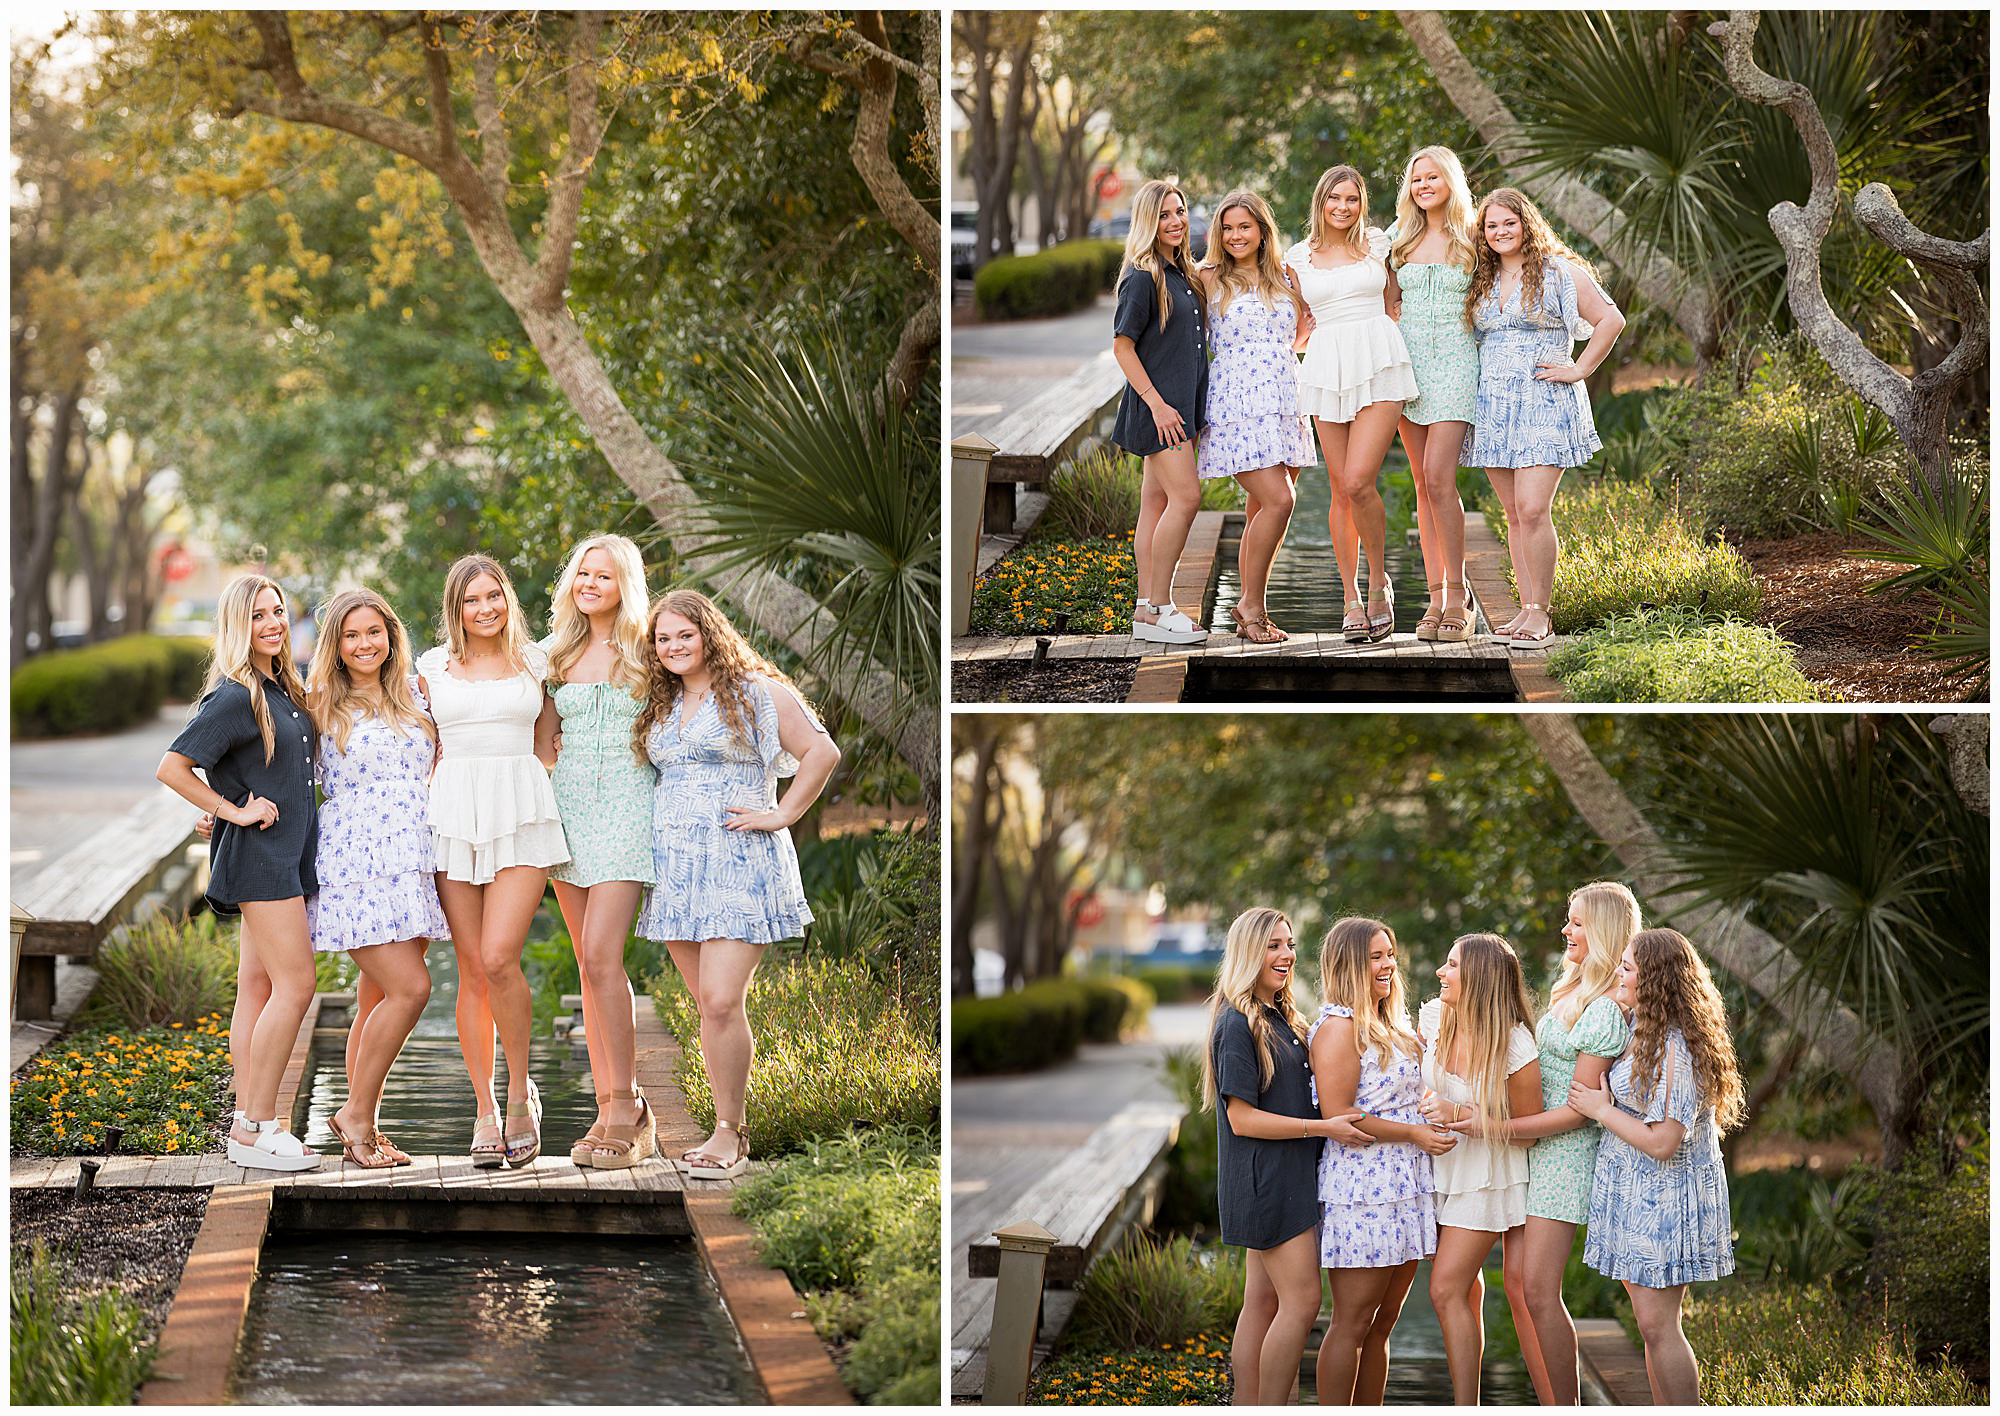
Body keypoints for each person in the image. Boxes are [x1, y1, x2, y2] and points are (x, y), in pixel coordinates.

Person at [633, 588, 841, 1180]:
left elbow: (821, 753)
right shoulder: (660, 703)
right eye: (662, 639)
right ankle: (723, 1123)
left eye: (683, 634)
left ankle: (731, 1132)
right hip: (675, 868)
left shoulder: (756, 692)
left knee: (722, 999)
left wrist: (783, 814)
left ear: (709, 634)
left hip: (739, 860)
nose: (673, 647)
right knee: (709, 1006)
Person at [1446, 882, 1637, 1404]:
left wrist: (1492, 1127)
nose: (1566, 930)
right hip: (1533, 1149)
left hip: (1563, 1159)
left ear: (1601, 929)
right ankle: (1552, 1403)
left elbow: (1579, 1114)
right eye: (1567, 919)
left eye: (1576, 922)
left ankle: (1568, 1408)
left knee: (1538, 1291)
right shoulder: (1573, 990)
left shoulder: (1603, 1010)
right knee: (1516, 1285)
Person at [157, 574, 322, 1172]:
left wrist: (223, 806)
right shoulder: (235, 694)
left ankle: (245, 1123)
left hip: (282, 855)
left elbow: (255, 769)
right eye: (258, 616)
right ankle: (259, 1125)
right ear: (237, 624)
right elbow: (173, 768)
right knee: (296, 985)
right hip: (264, 859)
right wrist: (229, 811)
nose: (273, 623)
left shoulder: (280, 684)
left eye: (277, 612)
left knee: (256, 986)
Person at [417, 554, 569, 1168]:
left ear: (508, 600)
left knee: (502, 956)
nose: (485, 609)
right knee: (472, 967)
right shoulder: (428, 668)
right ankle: (483, 1107)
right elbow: (413, 742)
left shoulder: (536, 662)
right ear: (455, 609)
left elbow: (549, 741)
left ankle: (519, 1094)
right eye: (471, 600)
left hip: (521, 813)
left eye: (494, 596)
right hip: (452, 816)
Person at [1569, 928, 1743, 1405]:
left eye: (1627, 968)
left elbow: (1664, 1142)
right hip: (1637, 1194)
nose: (1618, 974)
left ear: (1656, 981)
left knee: (1659, 1325)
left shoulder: (1677, 1049)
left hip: (1666, 1197)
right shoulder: (1643, 1031)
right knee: (1651, 1326)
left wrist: (1602, 1110)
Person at [1201, 906, 1366, 1406]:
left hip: (1286, 1175)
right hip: (1266, 1181)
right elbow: (1241, 1119)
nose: (1286, 955)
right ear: (1249, 952)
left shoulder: (1278, 1016)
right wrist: (1322, 1128)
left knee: (1262, 1302)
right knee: (1302, 1302)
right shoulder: (1236, 1023)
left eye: (1290, 944)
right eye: (1273, 945)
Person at [301, 589, 443, 1168]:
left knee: (377, 997)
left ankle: (368, 1123)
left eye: (374, 633)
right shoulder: (315, 705)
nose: (364, 645)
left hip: (415, 858)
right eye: (351, 635)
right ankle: (353, 1115)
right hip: (356, 862)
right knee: (411, 990)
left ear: (391, 636)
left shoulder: (417, 692)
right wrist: (222, 806)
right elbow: (274, 766)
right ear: (335, 645)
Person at [1462, 187, 1626, 649]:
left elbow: (1611, 320)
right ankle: (1525, 608)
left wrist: (1580, 369)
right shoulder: (1481, 278)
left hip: (1543, 401)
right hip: (1493, 406)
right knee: (1514, 514)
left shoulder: (1558, 271)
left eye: (1508, 223)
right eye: (1490, 226)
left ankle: (1542, 613)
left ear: (1526, 223)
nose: (1499, 232)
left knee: (1534, 510)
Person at [542, 534, 660, 1168]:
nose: (589, 584)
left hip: (626, 807)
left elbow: (708, 686)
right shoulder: (554, 653)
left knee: (600, 954)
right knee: (588, 968)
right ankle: (610, 1105)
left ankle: (625, 1105)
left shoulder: (649, 652)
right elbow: (538, 739)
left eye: (604, 576)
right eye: (583, 573)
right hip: (567, 813)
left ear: (626, 587)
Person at [1307, 917, 1449, 1406]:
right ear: (1349, 964)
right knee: (1352, 1321)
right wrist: (1413, 1131)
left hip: (1407, 1185)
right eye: (1375, 956)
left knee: (1384, 1324)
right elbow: (1341, 1116)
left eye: (1390, 953)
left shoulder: (1393, 1021)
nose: (1388, 964)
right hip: (1363, 1188)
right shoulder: (1338, 1028)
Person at [1285, 164, 1419, 644]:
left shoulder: (1378, 245)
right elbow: (1299, 326)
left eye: (1352, 199)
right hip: (1326, 367)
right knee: (1341, 488)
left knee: (1361, 481)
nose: (1343, 207)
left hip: (1380, 360)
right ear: (1320, 202)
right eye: (1334, 199)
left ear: (1362, 203)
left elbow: (1395, 302)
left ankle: (1379, 581)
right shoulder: (1296, 259)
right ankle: (1350, 598)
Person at [1418, 933, 1546, 1405]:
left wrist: (1467, 1119)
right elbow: (1416, 1082)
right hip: (1441, 1168)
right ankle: (1468, 1401)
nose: (1441, 972)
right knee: (1465, 1289)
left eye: (1451, 965)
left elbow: (1529, 1130)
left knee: (1445, 1287)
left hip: (1489, 1174)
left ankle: (1463, 1407)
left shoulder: (1515, 1044)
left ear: (1478, 978)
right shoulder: (1433, 1018)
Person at [1193, 189, 1315, 644]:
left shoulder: (1286, 275)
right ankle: (1248, 606)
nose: (1235, 235)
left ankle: (1251, 609)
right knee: (1280, 501)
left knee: (1264, 509)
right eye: (1227, 228)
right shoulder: (1206, 277)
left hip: (1285, 399)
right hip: (1237, 402)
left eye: (1245, 226)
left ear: (1263, 230)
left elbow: (1298, 337)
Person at [1112, 177, 1212, 645]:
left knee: (1154, 503)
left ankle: (1143, 612)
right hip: (1161, 409)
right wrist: (1158, 405)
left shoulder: (1183, 272)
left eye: (1180, 212)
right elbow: (1122, 347)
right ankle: (1161, 605)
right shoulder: (1142, 275)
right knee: (1186, 499)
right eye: (1164, 215)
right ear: (1148, 221)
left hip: (1181, 407)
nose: (1175, 222)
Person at [1389, 146, 1482, 643]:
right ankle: (1433, 595)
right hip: (1408, 370)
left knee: (1438, 479)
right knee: (1422, 486)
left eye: (1432, 177)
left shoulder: (1474, 237)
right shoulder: (1397, 239)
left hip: (1456, 363)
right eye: (1416, 179)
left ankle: (1458, 592)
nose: (1423, 185)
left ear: (1450, 181)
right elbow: (1370, 287)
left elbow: (1523, 260)